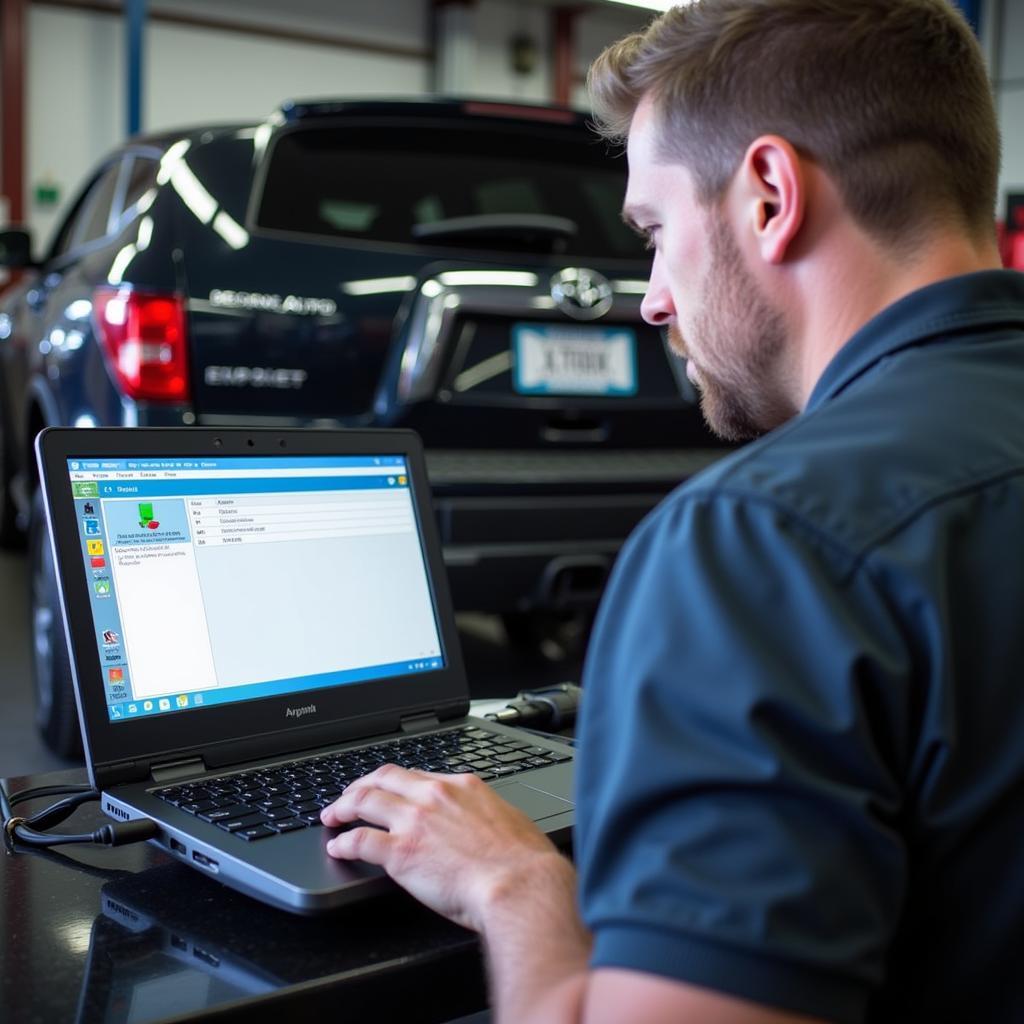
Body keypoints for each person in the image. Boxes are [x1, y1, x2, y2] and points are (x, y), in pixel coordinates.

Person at [322, 1, 1024, 1020]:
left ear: (771, 196)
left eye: (653, 232)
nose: (650, 297)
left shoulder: (763, 541)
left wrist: (513, 886)